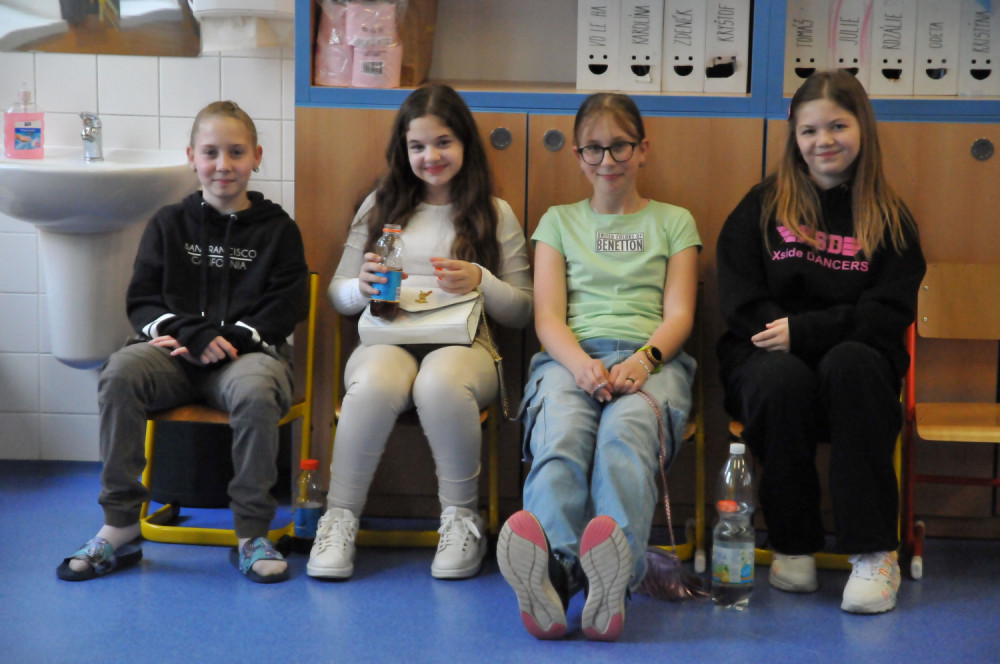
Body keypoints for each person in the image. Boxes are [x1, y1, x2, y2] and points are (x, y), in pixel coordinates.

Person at [57, 101, 308, 584]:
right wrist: (194, 336)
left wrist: (227, 339)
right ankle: (120, 525)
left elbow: (285, 307)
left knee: (258, 391)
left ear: (256, 157)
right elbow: (143, 301)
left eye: (236, 152)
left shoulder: (279, 230)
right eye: (210, 152)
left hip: (246, 358)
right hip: (172, 355)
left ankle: (251, 534)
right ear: (192, 157)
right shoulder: (168, 223)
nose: (223, 164)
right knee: (119, 373)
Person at [716, 70, 926, 614]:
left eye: (837, 126)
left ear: (863, 129)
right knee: (780, 380)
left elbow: (888, 312)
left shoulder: (889, 217)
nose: (823, 141)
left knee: (851, 365)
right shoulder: (761, 206)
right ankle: (793, 543)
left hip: (855, 360)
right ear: (794, 136)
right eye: (809, 130)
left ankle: (874, 554)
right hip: (768, 354)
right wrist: (784, 336)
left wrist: (806, 332)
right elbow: (740, 297)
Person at [497, 93, 701, 642]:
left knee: (624, 438)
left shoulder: (674, 222)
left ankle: (611, 581)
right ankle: (554, 574)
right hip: (570, 358)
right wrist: (581, 365)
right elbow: (547, 316)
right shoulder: (558, 222)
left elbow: (679, 315)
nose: (607, 160)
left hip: (651, 358)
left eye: (620, 147)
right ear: (578, 156)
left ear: (643, 150)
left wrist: (644, 360)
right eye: (594, 148)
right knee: (561, 435)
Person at [309, 84, 532, 581]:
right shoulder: (380, 206)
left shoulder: (495, 212)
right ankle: (338, 518)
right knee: (374, 383)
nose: (431, 156)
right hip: (386, 339)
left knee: (439, 381)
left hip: (466, 346)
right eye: (417, 146)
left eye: (443, 142)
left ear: (465, 144)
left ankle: (460, 519)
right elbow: (338, 294)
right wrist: (362, 288)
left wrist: (481, 279)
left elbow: (522, 310)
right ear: (403, 151)